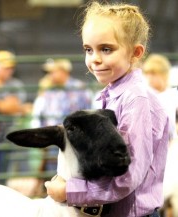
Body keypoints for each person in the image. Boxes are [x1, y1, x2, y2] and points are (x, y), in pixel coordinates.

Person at [44, 2, 169, 217]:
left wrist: (70, 191)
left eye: (106, 49)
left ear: (135, 52)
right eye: (88, 50)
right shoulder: (110, 96)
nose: (95, 59)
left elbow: (126, 176)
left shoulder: (136, 100)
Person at [31, 58, 92, 172]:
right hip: (53, 139)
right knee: (53, 172)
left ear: (63, 71)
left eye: (53, 71)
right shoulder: (49, 90)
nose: (50, 75)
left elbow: (88, 112)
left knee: (72, 171)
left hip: (73, 139)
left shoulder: (80, 88)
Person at [0, 50, 31, 183]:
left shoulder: (16, 84)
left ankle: (1, 188)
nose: (8, 71)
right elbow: (12, 107)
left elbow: (14, 107)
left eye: (10, 68)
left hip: (8, 131)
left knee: (4, 167)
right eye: (4, 67)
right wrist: (9, 106)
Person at [142, 53, 178, 139]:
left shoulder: (174, 96)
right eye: (147, 74)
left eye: (153, 74)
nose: (149, 78)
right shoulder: (144, 96)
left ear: (164, 74)